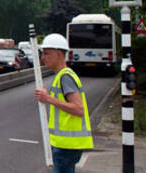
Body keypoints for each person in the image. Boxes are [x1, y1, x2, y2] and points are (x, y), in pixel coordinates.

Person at [34, 33, 93, 173]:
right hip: (64, 145)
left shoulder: (65, 77)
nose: (43, 58)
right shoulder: (61, 76)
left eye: (47, 54)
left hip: (67, 146)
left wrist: (48, 99)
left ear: (59, 54)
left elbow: (79, 109)